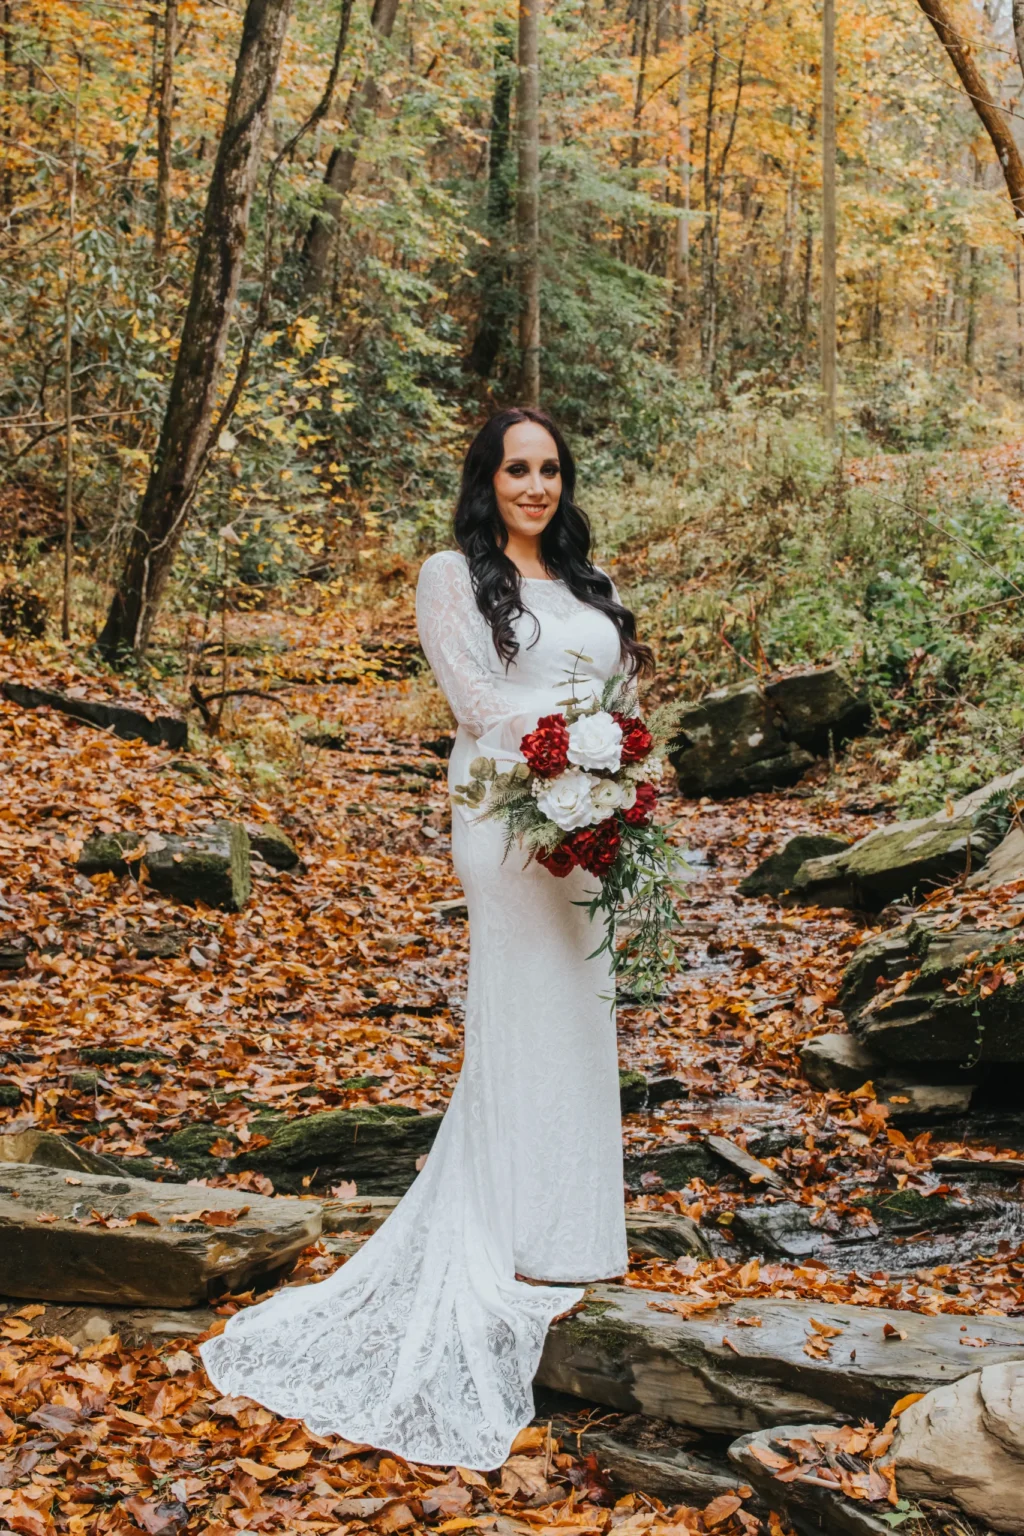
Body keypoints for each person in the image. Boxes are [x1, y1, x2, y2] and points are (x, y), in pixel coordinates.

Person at [200, 406, 654, 1470]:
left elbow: (622, 695)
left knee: (581, 1010)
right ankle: (503, 1235)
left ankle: (570, 1237)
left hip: (592, 812)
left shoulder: (593, 585)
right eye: (515, 470)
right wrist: (559, 749)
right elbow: (474, 698)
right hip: (504, 809)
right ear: (486, 479)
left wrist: (616, 769)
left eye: (548, 470)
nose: (534, 486)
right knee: (520, 1006)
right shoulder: (452, 574)